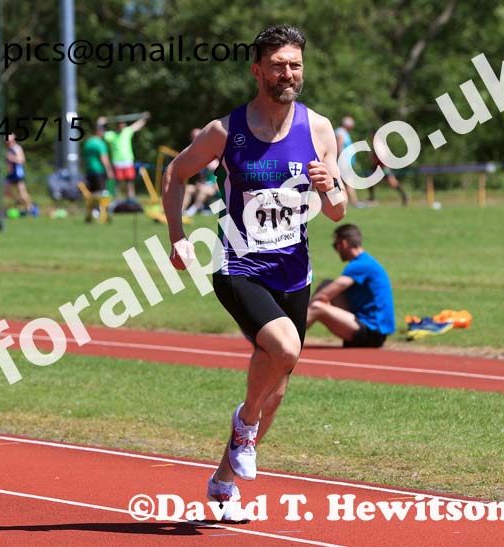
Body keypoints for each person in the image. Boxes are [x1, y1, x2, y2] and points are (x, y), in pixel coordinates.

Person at [162, 25, 346, 517]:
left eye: (296, 65)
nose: (289, 73)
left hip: (295, 272)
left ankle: (223, 483)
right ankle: (244, 423)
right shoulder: (226, 131)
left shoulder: (320, 128)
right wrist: (177, 236)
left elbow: (337, 210)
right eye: (279, 65)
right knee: (283, 347)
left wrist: (331, 187)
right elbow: (176, 174)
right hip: (238, 265)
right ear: (257, 70)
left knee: (278, 384)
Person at [306, 224, 395, 347]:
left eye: (335, 245)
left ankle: (290, 335)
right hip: (362, 323)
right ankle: (295, 327)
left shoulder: (361, 265)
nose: (336, 250)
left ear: (343, 243)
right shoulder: (365, 261)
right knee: (326, 283)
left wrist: (310, 309)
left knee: (317, 307)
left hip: (372, 332)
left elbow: (327, 294)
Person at [103, 112, 150, 200]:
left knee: (129, 181)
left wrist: (144, 118)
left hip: (128, 162)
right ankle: (116, 199)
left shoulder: (127, 131)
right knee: (117, 183)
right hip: (117, 162)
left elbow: (137, 125)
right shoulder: (112, 135)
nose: (122, 126)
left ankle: (131, 199)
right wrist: (100, 123)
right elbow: (102, 133)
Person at [81, 117, 115, 220]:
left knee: (92, 194)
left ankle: (91, 213)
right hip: (99, 171)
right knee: (102, 193)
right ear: (100, 132)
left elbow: (84, 158)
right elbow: (104, 159)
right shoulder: (100, 144)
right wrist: (109, 170)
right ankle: (104, 213)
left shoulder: (88, 143)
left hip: (89, 171)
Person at [182, 128, 219, 216]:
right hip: (205, 186)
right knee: (189, 188)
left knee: (203, 190)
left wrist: (208, 186)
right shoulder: (197, 156)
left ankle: (193, 210)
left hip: (216, 190)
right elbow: (203, 179)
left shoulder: (213, 156)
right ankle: (181, 211)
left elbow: (221, 180)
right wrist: (200, 184)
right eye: (193, 138)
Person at [4, 133, 39, 216]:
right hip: (11, 174)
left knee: (23, 193)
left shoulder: (17, 148)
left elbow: (21, 160)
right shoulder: (9, 149)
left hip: (18, 173)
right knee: (6, 191)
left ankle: (31, 208)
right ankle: (18, 200)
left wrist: (11, 158)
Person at [335, 116, 362, 207]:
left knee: (344, 182)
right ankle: (354, 202)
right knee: (349, 182)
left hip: (345, 162)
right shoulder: (341, 132)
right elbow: (339, 147)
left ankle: (350, 202)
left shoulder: (344, 132)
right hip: (343, 162)